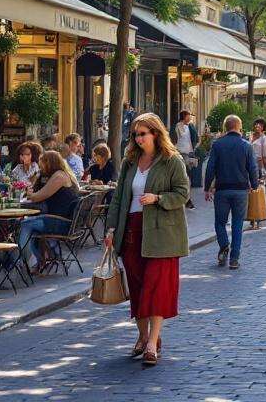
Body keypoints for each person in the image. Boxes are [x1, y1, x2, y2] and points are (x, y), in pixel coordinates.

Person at [104, 113, 190, 367]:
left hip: (162, 233)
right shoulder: (130, 163)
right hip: (131, 230)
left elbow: (182, 193)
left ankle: (153, 343)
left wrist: (158, 199)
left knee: (156, 288)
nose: (139, 139)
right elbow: (119, 199)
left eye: (143, 133)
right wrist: (110, 230)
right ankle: (142, 336)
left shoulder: (171, 161)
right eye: (136, 135)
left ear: (156, 133)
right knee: (138, 288)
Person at [202, 115, 259, 269]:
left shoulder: (218, 145)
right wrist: (254, 185)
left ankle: (224, 244)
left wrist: (207, 188)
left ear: (225, 127)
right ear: (239, 127)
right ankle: (234, 259)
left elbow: (210, 168)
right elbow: (253, 168)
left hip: (222, 190)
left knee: (220, 222)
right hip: (241, 190)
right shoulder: (246, 146)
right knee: (237, 224)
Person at [17, 150, 81, 273]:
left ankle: (31, 261)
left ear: (49, 163)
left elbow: (38, 197)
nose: (41, 167)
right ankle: (44, 256)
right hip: (60, 220)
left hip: (59, 222)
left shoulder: (59, 176)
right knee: (30, 224)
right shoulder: (62, 174)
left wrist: (30, 193)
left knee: (24, 224)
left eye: (42, 164)